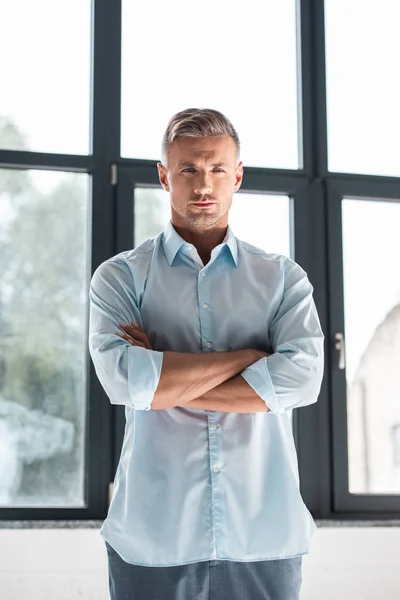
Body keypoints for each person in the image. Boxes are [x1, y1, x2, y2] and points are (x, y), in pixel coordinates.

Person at [88, 107, 325, 600]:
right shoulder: (121, 278)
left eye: (218, 169)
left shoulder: (282, 279)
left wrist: (164, 378)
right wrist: (250, 357)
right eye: (189, 170)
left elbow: (302, 379)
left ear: (237, 176)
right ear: (163, 176)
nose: (204, 184)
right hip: (152, 539)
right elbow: (124, 382)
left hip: (264, 536)